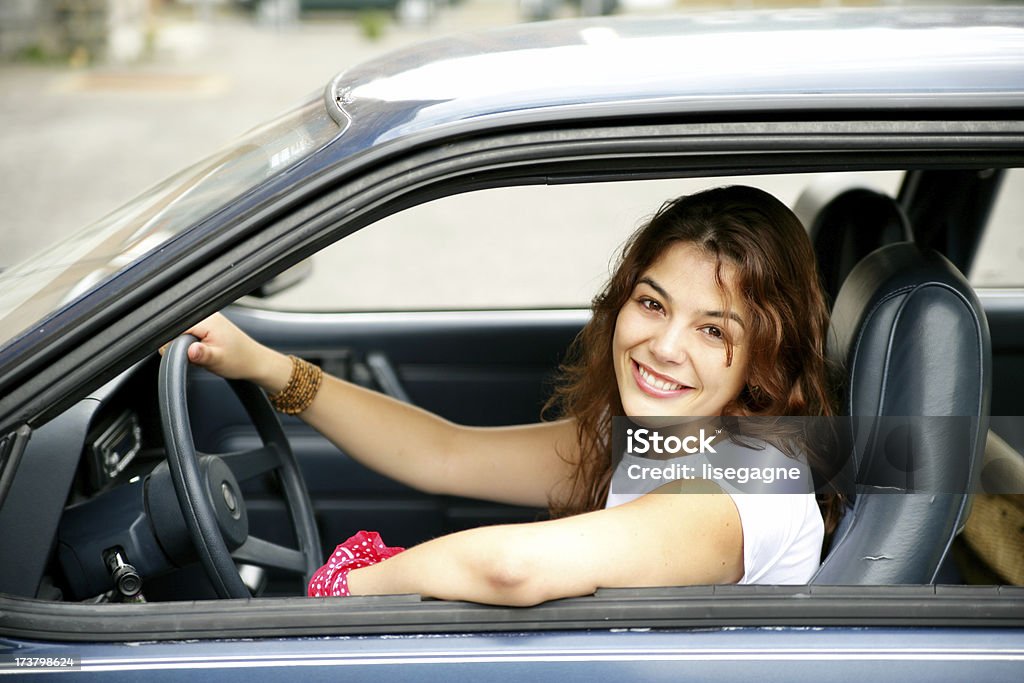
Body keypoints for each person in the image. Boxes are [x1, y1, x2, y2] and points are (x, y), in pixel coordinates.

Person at [177, 185, 840, 605]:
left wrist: (347, 585)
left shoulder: (744, 492)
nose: (665, 344)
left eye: (712, 328)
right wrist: (265, 365)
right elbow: (442, 453)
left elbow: (513, 567)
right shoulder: (665, 440)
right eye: (651, 302)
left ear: (764, 352)